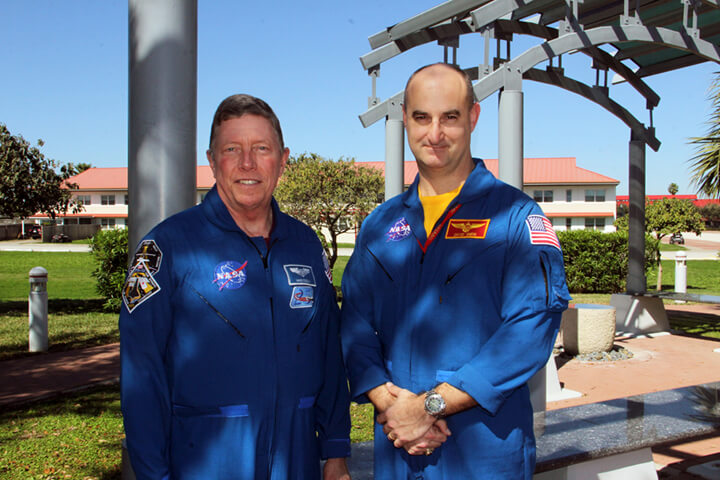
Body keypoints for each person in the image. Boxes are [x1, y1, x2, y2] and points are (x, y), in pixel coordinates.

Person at [340, 63, 571, 479]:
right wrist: (387, 400)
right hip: (398, 445)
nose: (435, 134)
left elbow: (531, 327)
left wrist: (429, 406)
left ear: (473, 117)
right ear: (406, 120)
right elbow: (354, 320)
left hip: (484, 447)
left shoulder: (515, 217)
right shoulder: (380, 225)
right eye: (422, 118)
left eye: (450, 117)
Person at [120, 94, 351, 480]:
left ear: (283, 159)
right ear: (212, 161)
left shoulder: (306, 245)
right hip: (204, 463)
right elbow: (142, 378)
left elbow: (329, 353)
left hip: (296, 461)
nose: (248, 163)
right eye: (232, 149)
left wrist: (336, 452)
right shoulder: (168, 247)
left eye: (261, 148)